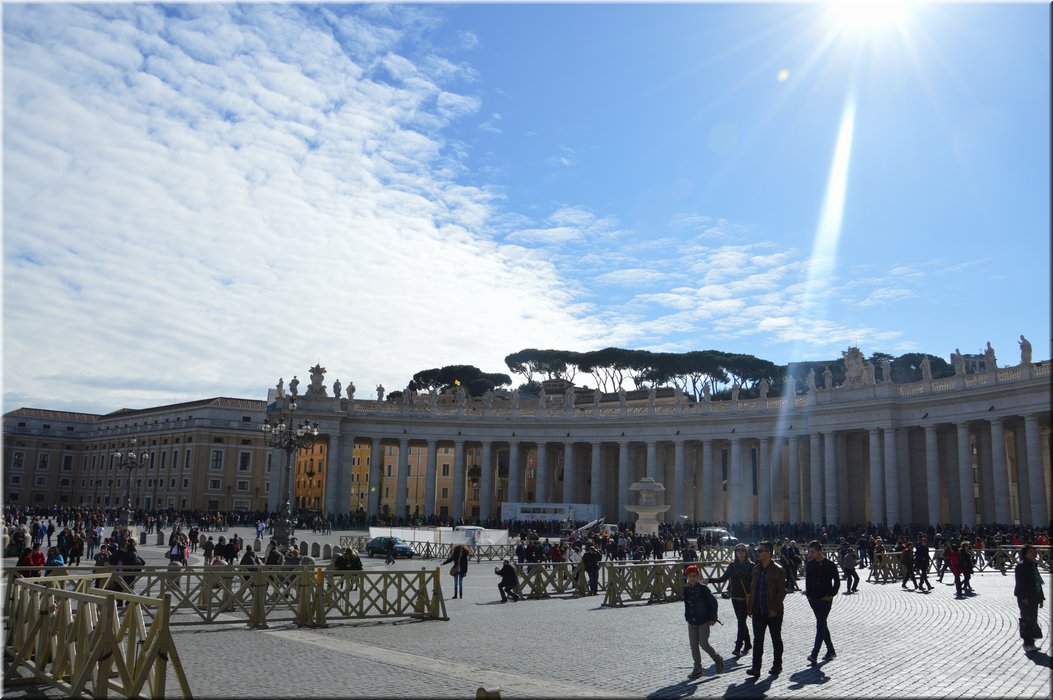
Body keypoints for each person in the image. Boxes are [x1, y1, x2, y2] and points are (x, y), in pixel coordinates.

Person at [746, 541, 786, 677]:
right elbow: (753, 589)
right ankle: (756, 668)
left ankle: (777, 665)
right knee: (757, 640)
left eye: (760, 551)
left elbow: (781, 592)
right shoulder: (756, 568)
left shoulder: (778, 570)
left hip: (774, 612)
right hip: (758, 610)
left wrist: (774, 609)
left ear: (769, 553)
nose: (758, 553)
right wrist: (750, 607)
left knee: (776, 639)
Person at [707, 543, 754, 656]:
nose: (740, 552)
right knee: (741, 621)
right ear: (735, 553)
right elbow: (723, 578)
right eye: (738, 550)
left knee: (741, 622)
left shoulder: (751, 566)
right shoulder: (732, 566)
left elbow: (754, 583)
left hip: (746, 598)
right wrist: (709, 580)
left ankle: (738, 646)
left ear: (746, 552)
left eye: (742, 550)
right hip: (735, 598)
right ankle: (748, 643)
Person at [684, 565, 723, 679]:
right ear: (687, 577)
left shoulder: (703, 588)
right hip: (691, 621)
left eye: (694, 576)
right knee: (693, 646)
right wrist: (687, 616)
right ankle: (697, 668)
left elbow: (713, 603)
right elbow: (686, 604)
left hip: (703, 620)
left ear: (698, 576)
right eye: (690, 576)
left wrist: (713, 617)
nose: (692, 578)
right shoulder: (686, 589)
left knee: (703, 643)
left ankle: (717, 659)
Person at [804, 540, 839, 664]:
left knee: (820, 625)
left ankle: (814, 654)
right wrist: (809, 597)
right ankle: (831, 651)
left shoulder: (830, 564)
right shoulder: (810, 565)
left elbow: (837, 582)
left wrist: (830, 595)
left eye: (813, 552)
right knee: (822, 624)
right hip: (813, 600)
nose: (811, 554)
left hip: (825, 599)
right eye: (810, 552)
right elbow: (808, 582)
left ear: (820, 551)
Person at [1014, 545, 1045, 653]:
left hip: (1034, 596)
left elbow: (1038, 583)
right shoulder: (1021, 566)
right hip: (1025, 597)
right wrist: (1024, 597)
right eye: (1031, 552)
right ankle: (1027, 643)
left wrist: (1041, 598)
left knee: (1032, 620)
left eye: (1035, 552)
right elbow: (1020, 583)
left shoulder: (1033, 565)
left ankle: (1031, 643)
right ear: (1025, 554)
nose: (1034, 554)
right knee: (1026, 620)